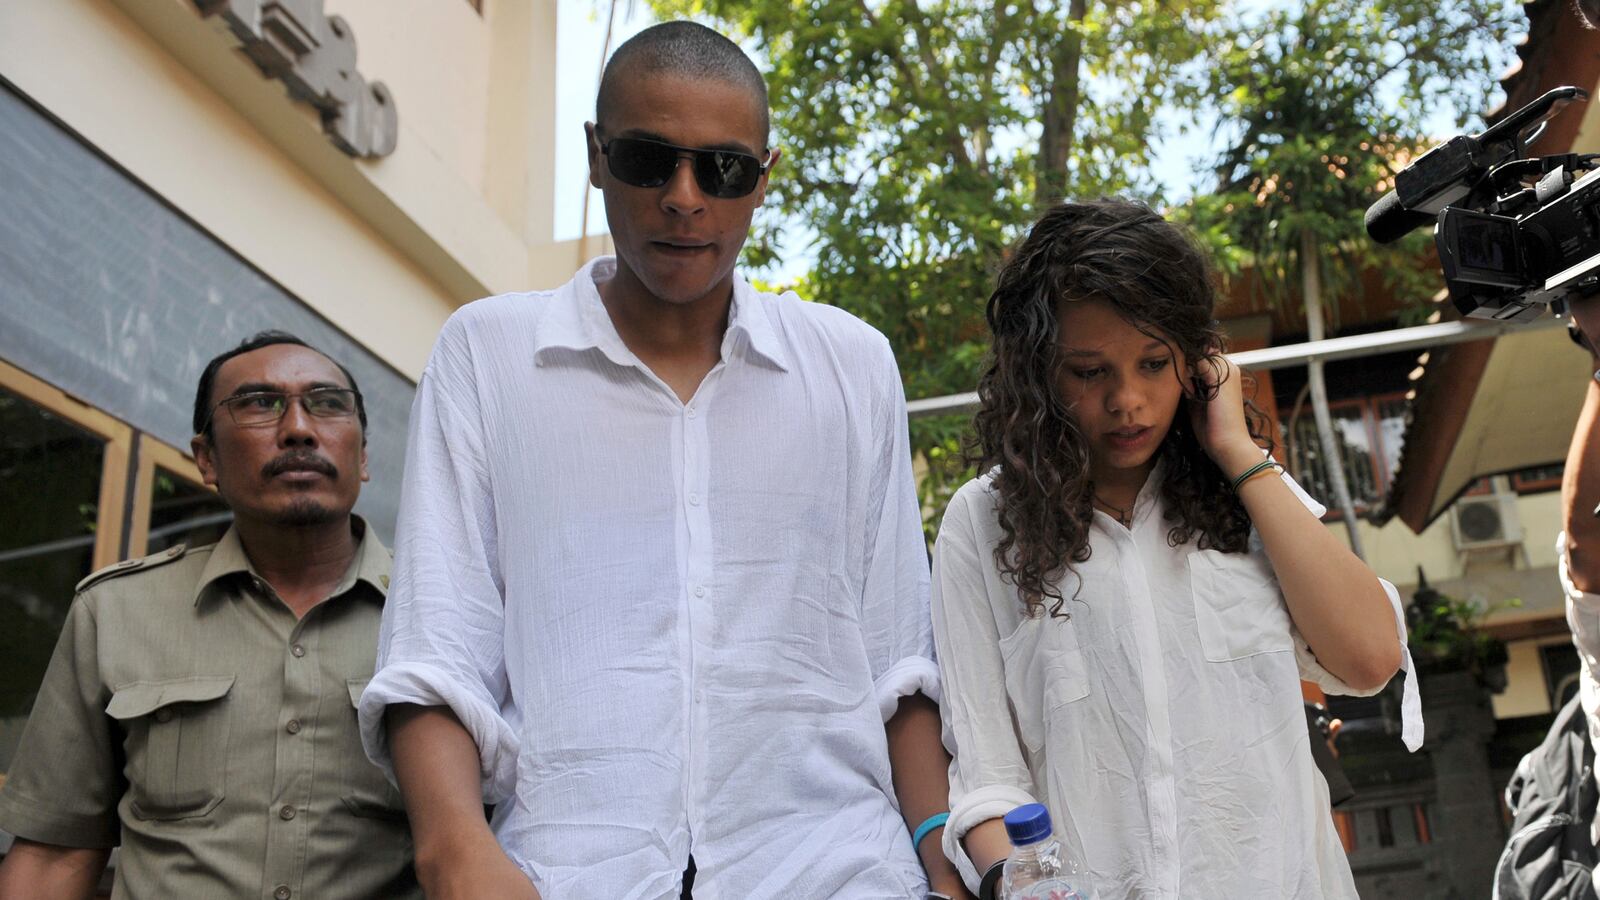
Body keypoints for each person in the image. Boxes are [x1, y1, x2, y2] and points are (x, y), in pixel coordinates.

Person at [357, 20, 967, 900]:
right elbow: (437, 650)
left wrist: (941, 859)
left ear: (765, 178)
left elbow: (897, 661)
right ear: (597, 156)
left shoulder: (852, 363)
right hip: (563, 874)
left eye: (722, 169)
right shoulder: (487, 354)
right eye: (650, 159)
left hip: (836, 871)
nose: (685, 197)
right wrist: (457, 858)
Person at [929, 199, 1421, 899]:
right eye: (1089, 372)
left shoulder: (1248, 493)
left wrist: (1236, 452)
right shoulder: (982, 524)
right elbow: (987, 776)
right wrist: (1016, 879)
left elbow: (1370, 660)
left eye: (1154, 363)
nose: (1128, 400)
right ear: (1036, 375)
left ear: (1197, 362)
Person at [0, 331, 418, 899]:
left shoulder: (438, 616)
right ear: (207, 459)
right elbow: (55, 852)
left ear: (363, 455)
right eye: (259, 404)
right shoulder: (117, 612)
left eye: (326, 402)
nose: (298, 427)